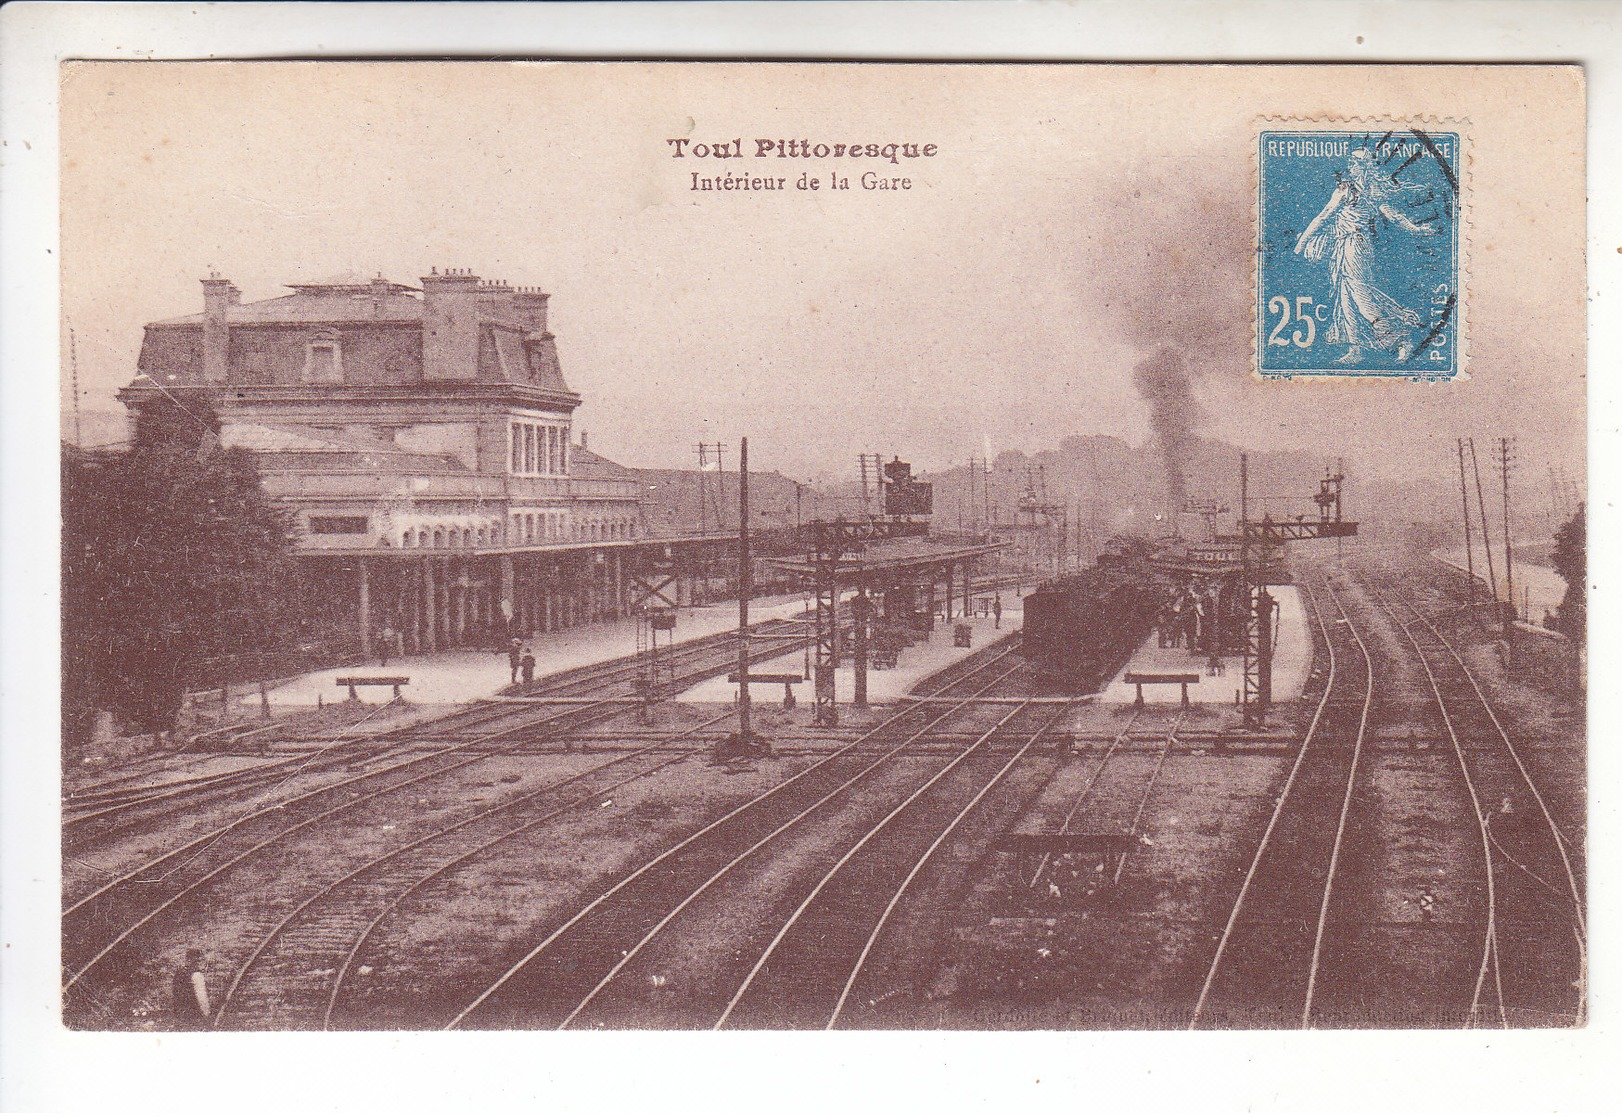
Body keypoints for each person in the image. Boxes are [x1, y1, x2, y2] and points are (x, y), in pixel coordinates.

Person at [1294, 147, 1438, 365]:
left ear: (1362, 167)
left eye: (1353, 163)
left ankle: (1401, 339)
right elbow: (1395, 218)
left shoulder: (1352, 190)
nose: (1349, 166)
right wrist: (1416, 230)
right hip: (1345, 245)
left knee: (1361, 296)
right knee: (1345, 297)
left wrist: (1301, 244)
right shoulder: (1368, 191)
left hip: (1354, 245)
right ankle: (1356, 350)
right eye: (1350, 162)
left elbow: (1324, 217)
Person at [172, 949, 211, 1029]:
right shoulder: (197, 975)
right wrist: (207, 1016)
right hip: (195, 1019)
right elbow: (202, 1000)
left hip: (179, 1017)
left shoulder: (179, 973)